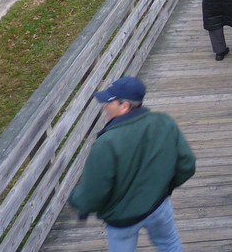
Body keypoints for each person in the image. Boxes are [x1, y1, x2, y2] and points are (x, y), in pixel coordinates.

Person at [67, 76, 195, 252]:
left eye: (109, 102)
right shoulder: (164, 122)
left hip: (122, 220)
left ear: (124, 106)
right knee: (169, 244)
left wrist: (78, 202)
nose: (104, 106)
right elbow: (187, 165)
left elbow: (94, 191)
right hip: (159, 207)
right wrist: (165, 187)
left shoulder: (106, 142)